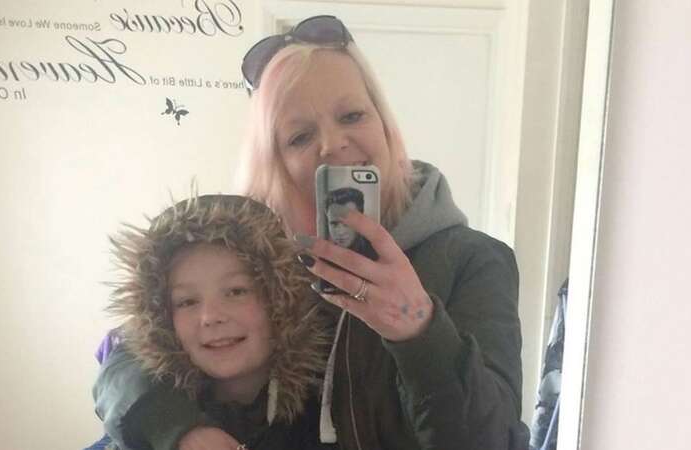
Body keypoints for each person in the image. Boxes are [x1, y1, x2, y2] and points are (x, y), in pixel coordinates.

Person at [94, 14, 529, 450]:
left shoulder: (473, 261)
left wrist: (419, 330)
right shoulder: (259, 256)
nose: (332, 143)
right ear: (274, 162)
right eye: (300, 137)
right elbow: (131, 358)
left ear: (384, 122)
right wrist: (183, 432)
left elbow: (497, 440)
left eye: (352, 115)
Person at [94, 195, 335, 450]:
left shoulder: (332, 393)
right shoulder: (150, 393)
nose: (210, 316)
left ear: (282, 299)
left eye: (236, 291)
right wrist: (180, 431)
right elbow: (121, 374)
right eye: (186, 301)